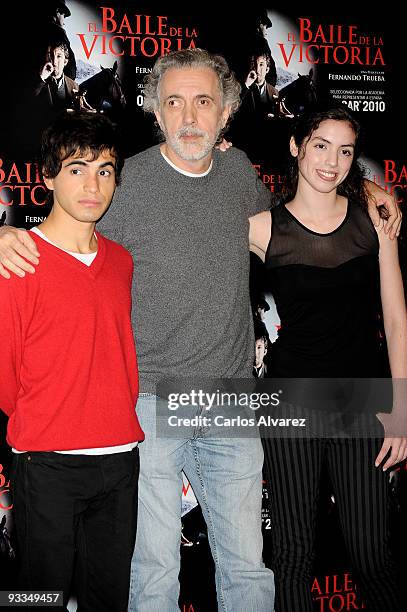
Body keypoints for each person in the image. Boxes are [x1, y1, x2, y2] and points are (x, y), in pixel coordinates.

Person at [0, 49, 402, 612]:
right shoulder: (119, 183)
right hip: (147, 404)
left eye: (204, 102)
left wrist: (371, 191)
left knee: (248, 567)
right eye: (174, 103)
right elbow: (61, 227)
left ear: (227, 116)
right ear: (156, 114)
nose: (189, 117)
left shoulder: (239, 174)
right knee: (154, 572)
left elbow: (308, 207)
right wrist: (3, 237)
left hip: (231, 400)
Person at [249, 106, 407, 611]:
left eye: (345, 150)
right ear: (296, 147)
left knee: (371, 554)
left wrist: (401, 409)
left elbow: (397, 318)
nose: (331, 160)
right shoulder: (260, 227)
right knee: (293, 554)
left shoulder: (375, 222)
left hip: (361, 401)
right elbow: (190, 230)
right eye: (320, 145)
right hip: (290, 398)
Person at [0, 111, 144, 611]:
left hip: (120, 458)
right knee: (36, 595)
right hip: (48, 461)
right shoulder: (20, 258)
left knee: (109, 598)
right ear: (47, 177)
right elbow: (6, 376)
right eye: (77, 168)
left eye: (105, 170)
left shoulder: (122, 261)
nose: (92, 184)